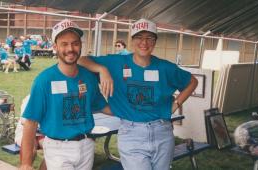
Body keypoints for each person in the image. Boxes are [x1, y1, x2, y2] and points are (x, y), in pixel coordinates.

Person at [78, 18, 198, 170]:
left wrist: (176, 104)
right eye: (139, 37)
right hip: (131, 133)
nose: (144, 42)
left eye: (149, 38)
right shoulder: (116, 62)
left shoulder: (165, 67)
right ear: (132, 40)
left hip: (162, 132)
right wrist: (102, 70)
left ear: (155, 42)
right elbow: (81, 60)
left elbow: (192, 81)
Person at [20, 19, 112, 170]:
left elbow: (103, 106)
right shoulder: (44, 80)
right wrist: (25, 163)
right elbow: (30, 123)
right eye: (64, 44)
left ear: (81, 45)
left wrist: (132, 110)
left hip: (86, 146)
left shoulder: (88, 77)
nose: (71, 48)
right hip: (58, 148)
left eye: (75, 43)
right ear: (55, 47)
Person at [15, 95, 46, 170]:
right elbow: (24, 122)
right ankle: (25, 166)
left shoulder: (52, 98)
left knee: (52, 152)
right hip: (25, 131)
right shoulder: (30, 98)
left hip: (43, 134)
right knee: (31, 151)